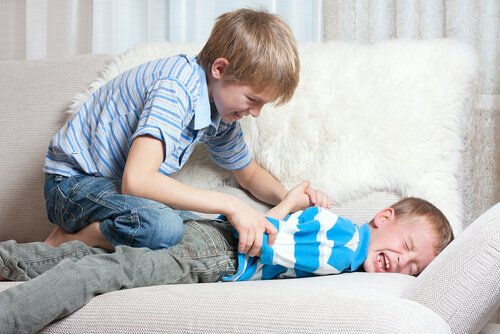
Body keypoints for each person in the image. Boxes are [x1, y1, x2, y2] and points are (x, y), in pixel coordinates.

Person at [0, 181, 454, 333]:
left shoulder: (337, 226)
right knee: (104, 271)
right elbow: (267, 244)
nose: (403, 261)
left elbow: (268, 228)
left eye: (415, 266)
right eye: (408, 247)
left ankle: (10, 259)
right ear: (384, 217)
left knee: (77, 254)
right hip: (211, 255)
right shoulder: (348, 248)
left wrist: (289, 204)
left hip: (211, 235)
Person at [42, 8, 308, 257]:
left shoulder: (221, 112)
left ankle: (99, 233)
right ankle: (67, 241)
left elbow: (248, 173)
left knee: (202, 230)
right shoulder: (176, 89)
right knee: (163, 227)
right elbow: (136, 181)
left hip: (114, 194)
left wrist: (289, 198)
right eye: (252, 99)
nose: (256, 112)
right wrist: (232, 204)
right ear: (220, 69)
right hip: (71, 186)